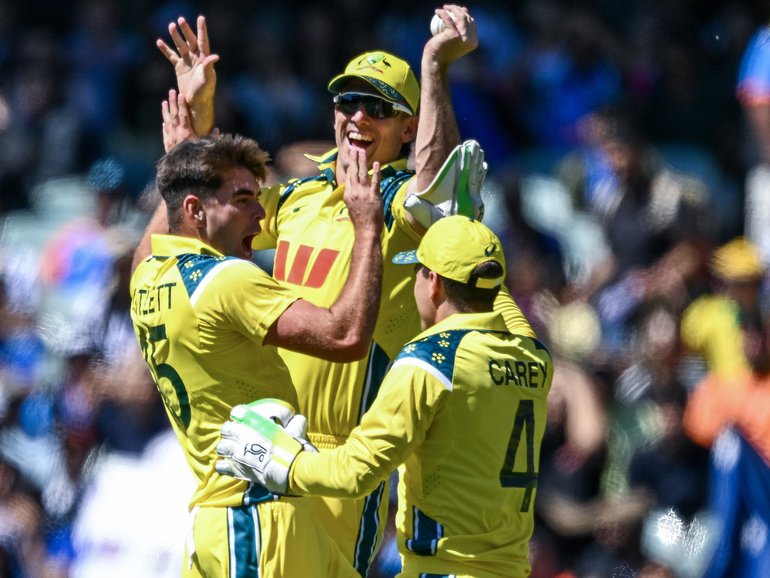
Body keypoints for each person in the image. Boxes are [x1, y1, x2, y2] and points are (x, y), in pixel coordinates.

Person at [150, 6, 535, 573]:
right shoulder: (301, 193)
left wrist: (434, 68)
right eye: (347, 102)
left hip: (343, 457)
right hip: (268, 443)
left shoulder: (400, 200)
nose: (357, 117)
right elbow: (209, 216)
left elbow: (439, 195)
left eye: (377, 108)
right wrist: (199, 128)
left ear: (408, 129)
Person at [216, 216, 554, 578]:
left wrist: (283, 464)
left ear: (434, 283)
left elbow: (356, 473)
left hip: (443, 571)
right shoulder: (534, 356)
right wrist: (463, 225)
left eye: (418, 273)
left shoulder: (429, 362)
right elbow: (496, 300)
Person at [130, 134, 384, 577]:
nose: (260, 212)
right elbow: (345, 337)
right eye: (243, 199)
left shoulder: (147, 279)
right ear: (194, 210)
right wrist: (367, 228)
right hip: (257, 518)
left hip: (224, 516)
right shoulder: (227, 280)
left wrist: (181, 148)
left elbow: (146, 248)